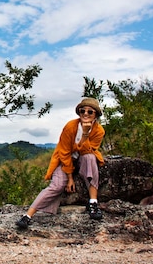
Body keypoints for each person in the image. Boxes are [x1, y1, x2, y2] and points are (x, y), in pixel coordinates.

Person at [16, 97, 105, 229]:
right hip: (66, 160)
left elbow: (88, 150)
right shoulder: (70, 127)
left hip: (83, 159)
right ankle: (28, 216)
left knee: (90, 158)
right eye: (83, 111)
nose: (85, 114)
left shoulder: (99, 131)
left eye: (90, 112)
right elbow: (64, 152)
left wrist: (85, 134)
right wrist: (69, 178)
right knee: (57, 186)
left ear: (95, 115)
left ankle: (93, 203)